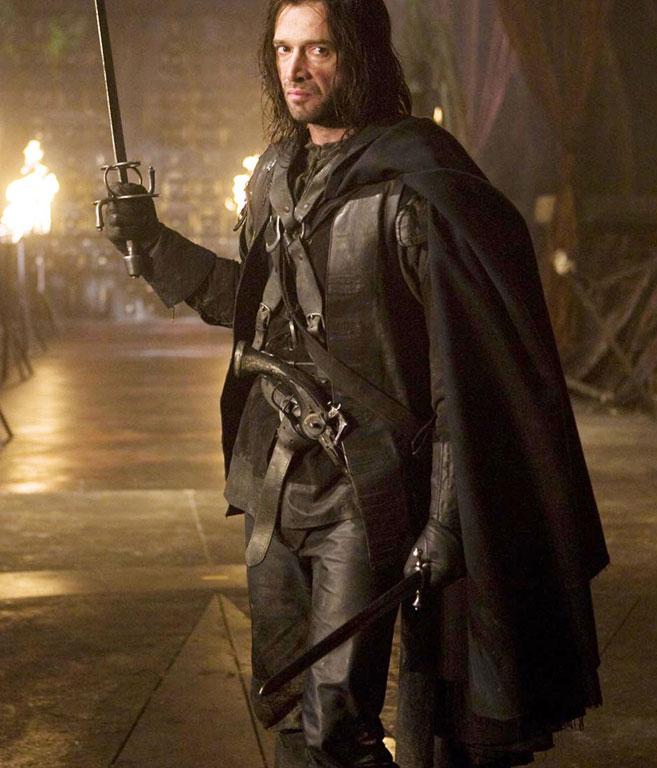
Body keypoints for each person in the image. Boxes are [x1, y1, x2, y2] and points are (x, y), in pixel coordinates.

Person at [102, 1, 608, 766]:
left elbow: (459, 377)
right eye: (283, 50)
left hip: (366, 492)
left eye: (319, 50)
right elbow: (256, 311)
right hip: (274, 481)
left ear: (360, 55)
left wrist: (446, 521)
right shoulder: (274, 175)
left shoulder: (417, 185)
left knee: (336, 717)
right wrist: (154, 243)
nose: (295, 70)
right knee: (287, 700)